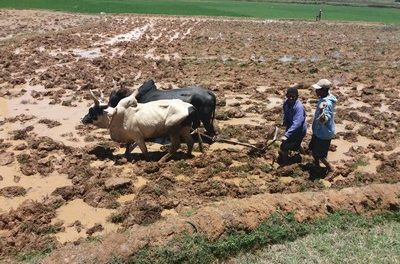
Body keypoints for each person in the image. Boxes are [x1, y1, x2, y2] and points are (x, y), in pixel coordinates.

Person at [309, 79, 337, 173]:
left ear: (324, 90)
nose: (316, 91)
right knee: (313, 150)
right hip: (318, 130)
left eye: (318, 89)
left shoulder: (327, 103)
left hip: (324, 133)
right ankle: (316, 166)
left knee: (320, 154)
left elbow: (325, 119)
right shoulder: (324, 97)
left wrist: (321, 111)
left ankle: (330, 168)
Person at [278, 87, 307, 164]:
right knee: (296, 144)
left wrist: (287, 135)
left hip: (299, 131)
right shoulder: (286, 103)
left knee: (283, 147)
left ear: (297, 96)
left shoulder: (299, 107)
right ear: (286, 95)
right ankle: (305, 156)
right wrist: (284, 122)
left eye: (293, 96)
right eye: (289, 96)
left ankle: (286, 164)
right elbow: (285, 114)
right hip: (291, 128)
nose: (291, 98)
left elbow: (297, 123)